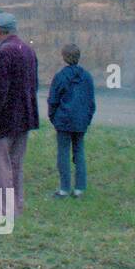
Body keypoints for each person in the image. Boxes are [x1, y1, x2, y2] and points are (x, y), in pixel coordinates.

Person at [0, 11, 38, 217]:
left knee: (0, 167)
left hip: (4, 120)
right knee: (16, 164)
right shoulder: (28, 50)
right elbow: (34, 86)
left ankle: (4, 211)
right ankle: (17, 206)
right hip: (25, 117)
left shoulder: (3, 53)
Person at [47, 43, 95, 197]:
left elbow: (53, 100)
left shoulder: (60, 77)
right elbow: (91, 103)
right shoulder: (87, 77)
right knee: (79, 153)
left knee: (63, 154)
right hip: (80, 121)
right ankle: (80, 188)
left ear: (64, 57)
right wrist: (86, 120)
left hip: (63, 121)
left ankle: (64, 188)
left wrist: (54, 118)